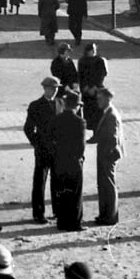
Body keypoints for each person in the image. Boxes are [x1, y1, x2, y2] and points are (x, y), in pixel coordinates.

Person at [24, 77, 60, 224]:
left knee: (57, 181)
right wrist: (36, 143)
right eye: (53, 88)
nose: (55, 90)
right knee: (40, 182)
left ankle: (57, 211)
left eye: (57, 88)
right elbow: (28, 128)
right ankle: (38, 213)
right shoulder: (35, 105)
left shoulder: (61, 103)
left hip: (58, 149)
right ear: (45, 88)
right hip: (43, 149)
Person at [52, 91, 87, 231]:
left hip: (59, 161)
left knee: (61, 192)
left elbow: (51, 139)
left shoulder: (57, 119)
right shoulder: (80, 122)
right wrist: (79, 158)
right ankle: (75, 223)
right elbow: (81, 146)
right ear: (76, 106)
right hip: (73, 162)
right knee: (75, 193)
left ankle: (62, 222)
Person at [92, 87, 123, 226]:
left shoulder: (110, 115)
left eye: (100, 98)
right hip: (106, 152)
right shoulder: (108, 112)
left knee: (108, 185)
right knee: (105, 184)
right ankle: (105, 214)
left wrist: (108, 155)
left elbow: (113, 137)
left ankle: (109, 217)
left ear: (107, 99)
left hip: (107, 154)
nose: (98, 101)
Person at [77, 43, 108, 141]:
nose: (94, 51)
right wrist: (85, 87)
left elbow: (102, 75)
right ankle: (93, 134)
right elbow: (80, 76)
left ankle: (98, 134)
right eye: (92, 49)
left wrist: (95, 87)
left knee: (98, 113)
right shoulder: (82, 61)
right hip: (87, 93)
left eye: (95, 49)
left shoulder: (100, 61)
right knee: (89, 113)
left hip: (97, 90)